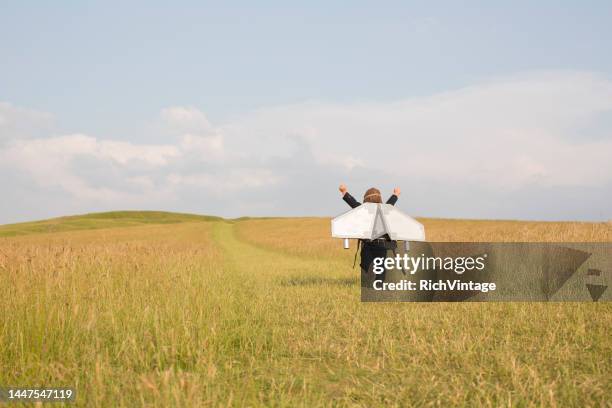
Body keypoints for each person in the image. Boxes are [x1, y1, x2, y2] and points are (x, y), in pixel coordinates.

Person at [338, 184, 401, 283]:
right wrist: (396, 194)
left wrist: (344, 191)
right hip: (382, 244)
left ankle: (368, 280)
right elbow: (391, 202)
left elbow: (353, 203)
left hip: (368, 244)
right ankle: (379, 285)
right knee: (380, 265)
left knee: (365, 265)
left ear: (366, 199)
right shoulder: (385, 209)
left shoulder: (363, 209)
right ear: (379, 198)